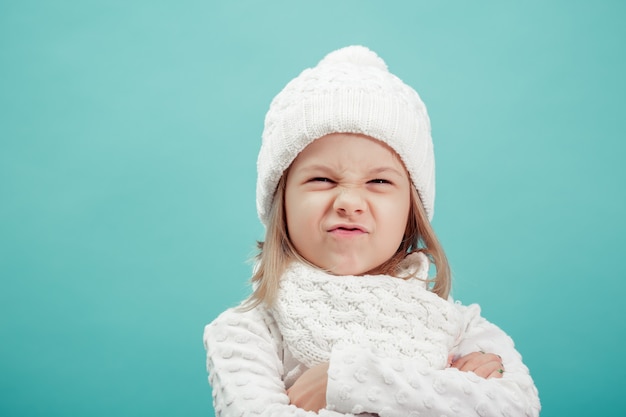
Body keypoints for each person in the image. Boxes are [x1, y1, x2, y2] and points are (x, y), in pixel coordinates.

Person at [203, 45, 541, 417]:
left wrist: (347, 380)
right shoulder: (245, 333)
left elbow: (516, 408)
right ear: (280, 204)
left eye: (379, 180)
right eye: (321, 179)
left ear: (411, 212)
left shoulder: (458, 326)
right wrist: (442, 384)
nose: (349, 201)